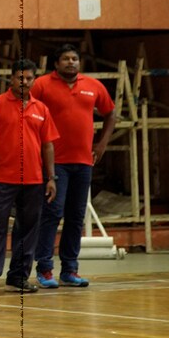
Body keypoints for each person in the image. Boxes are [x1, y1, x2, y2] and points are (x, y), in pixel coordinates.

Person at [24, 44, 116, 288]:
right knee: (52, 214)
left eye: (74, 58)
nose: (71, 62)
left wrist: (102, 143)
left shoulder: (93, 86)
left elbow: (111, 113)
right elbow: (26, 112)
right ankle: (44, 269)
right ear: (56, 64)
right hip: (55, 163)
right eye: (65, 59)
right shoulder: (42, 84)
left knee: (76, 216)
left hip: (84, 161)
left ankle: (70, 269)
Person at [0, 58, 59, 296]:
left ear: (34, 80)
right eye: (20, 77)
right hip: (1, 179)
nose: (24, 82)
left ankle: (18, 277)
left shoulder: (41, 109)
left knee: (28, 229)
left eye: (29, 78)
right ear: (12, 78)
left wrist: (51, 178)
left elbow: (48, 146)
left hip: (34, 180)